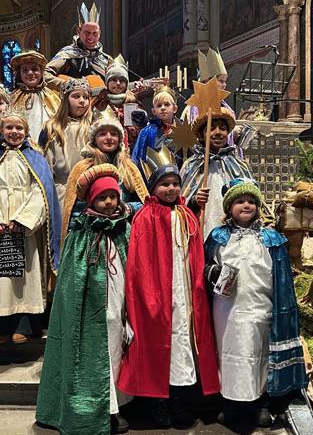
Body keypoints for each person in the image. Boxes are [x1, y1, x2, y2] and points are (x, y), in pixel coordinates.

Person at [117, 147, 220, 429]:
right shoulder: (145, 217)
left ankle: (179, 399)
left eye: (175, 183)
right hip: (156, 295)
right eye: (165, 184)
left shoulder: (187, 215)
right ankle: (157, 403)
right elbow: (139, 262)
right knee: (156, 346)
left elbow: (194, 254)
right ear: (154, 188)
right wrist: (146, 296)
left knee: (182, 347)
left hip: (184, 294)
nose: (171, 188)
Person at [37, 164, 133, 435]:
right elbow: (71, 279)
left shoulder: (123, 228)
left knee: (116, 355)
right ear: (92, 199)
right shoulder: (81, 230)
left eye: (113, 196)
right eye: (103, 197)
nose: (109, 202)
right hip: (90, 310)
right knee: (94, 356)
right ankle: (103, 411)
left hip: (119, 304)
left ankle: (118, 404)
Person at [204, 179, 307, 428]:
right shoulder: (218, 237)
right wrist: (212, 272)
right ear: (229, 208)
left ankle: (258, 402)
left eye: (251, 201)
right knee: (228, 355)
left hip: (260, 307)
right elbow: (203, 265)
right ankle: (230, 404)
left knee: (257, 354)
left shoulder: (270, 238)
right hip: (226, 309)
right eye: (240, 201)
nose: (246, 205)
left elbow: (282, 279)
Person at [0, 107, 61, 344]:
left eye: (19, 128)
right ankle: (0, 325)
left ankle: (26, 325)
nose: (14, 132)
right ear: (1, 130)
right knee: (0, 276)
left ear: (26, 132)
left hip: (25, 229)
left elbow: (42, 192)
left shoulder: (36, 158)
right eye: (9, 127)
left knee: (26, 277)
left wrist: (22, 220)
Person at [61, 110, 148, 239]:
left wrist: (128, 208)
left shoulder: (129, 168)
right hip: (92, 235)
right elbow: (74, 210)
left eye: (113, 134)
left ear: (119, 139)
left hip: (124, 233)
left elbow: (144, 203)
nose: (108, 137)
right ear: (94, 140)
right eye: (102, 134)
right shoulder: (82, 168)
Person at [180, 109, 254, 238]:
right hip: (202, 228)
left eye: (223, 128)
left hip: (234, 234)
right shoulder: (192, 165)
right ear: (202, 135)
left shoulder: (239, 164)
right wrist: (194, 200)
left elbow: (252, 196)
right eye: (212, 128)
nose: (218, 133)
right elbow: (180, 201)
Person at [180, 48, 253, 157]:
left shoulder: (227, 108)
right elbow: (190, 138)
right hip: (203, 160)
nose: (224, 85)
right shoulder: (191, 109)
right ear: (207, 81)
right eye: (221, 81)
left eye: (225, 81)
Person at [39, 78, 94, 205]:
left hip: (88, 191)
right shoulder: (51, 128)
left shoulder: (93, 127)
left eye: (85, 97)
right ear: (65, 100)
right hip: (60, 191)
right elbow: (44, 165)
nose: (82, 101)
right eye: (76, 96)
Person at [44, 2, 112, 92]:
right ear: (78, 32)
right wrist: (67, 85)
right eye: (87, 33)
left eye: (95, 33)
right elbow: (45, 74)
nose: (91, 37)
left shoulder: (108, 60)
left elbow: (119, 85)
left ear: (100, 34)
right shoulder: (67, 54)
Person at [92, 54, 146, 147]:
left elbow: (138, 134)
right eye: (113, 79)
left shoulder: (133, 102)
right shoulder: (98, 102)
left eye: (122, 80)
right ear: (107, 82)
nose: (118, 83)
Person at [8, 50, 61, 145]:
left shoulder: (52, 97)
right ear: (19, 74)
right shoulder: (12, 98)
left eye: (34, 69)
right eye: (25, 70)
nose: (30, 73)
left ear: (41, 72)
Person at [130, 86, 181, 171]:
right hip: (156, 177)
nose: (163, 108)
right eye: (159, 105)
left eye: (167, 104)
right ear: (154, 111)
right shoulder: (146, 132)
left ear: (175, 108)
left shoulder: (184, 130)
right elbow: (138, 159)